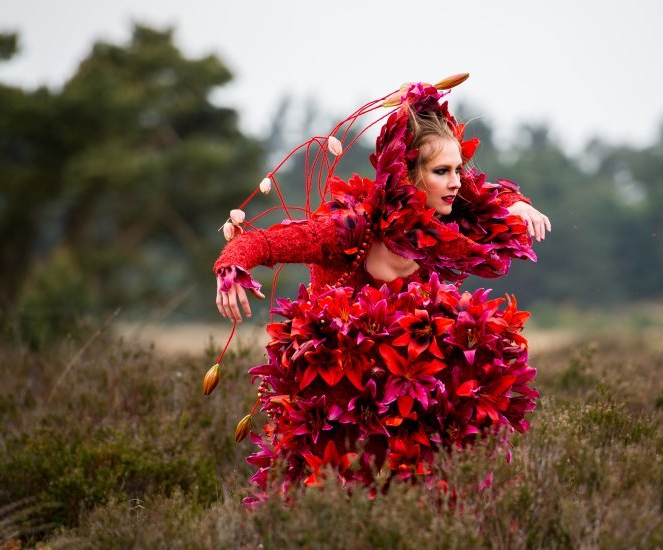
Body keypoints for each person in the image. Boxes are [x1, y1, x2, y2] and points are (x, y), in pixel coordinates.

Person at [209, 77, 548, 503]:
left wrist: (518, 204)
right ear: (409, 176)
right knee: (322, 509)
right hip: (330, 406)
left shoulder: (447, 231)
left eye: (458, 170)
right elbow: (263, 242)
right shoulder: (349, 229)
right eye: (442, 172)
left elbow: (486, 200)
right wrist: (231, 268)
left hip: (407, 406)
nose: (456, 183)